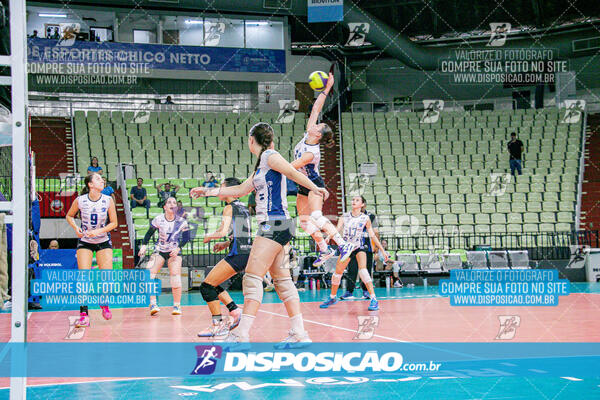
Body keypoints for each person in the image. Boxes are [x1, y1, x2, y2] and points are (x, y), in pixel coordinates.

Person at [191, 122, 329, 346]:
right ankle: (299, 333)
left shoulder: (270, 156)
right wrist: (207, 191)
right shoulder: (261, 166)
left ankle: (241, 335)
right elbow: (239, 190)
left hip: (275, 224)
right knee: (282, 282)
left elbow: (292, 171)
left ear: (251, 140)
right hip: (278, 226)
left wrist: (315, 188)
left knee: (252, 278)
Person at [292, 71, 355, 267]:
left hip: (313, 185)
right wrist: (327, 89)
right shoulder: (308, 133)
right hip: (303, 184)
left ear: (318, 135)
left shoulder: (311, 152)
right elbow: (316, 109)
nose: (315, 125)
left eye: (318, 127)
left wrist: (272, 165)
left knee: (316, 216)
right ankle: (325, 249)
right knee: (304, 222)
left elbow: (292, 167)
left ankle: (343, 245)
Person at [197, 178, 250, 337]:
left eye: (222, 188)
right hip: (245, 253)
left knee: (206, 287)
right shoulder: (243, 207)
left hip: (238, 255)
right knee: (213, 283)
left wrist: (209, 236)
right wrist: (226, 244)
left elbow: (222, 231)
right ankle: (234, 311)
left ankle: (217, 325)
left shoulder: (229, 208)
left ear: (230, 190)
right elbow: (242, 234)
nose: (219, 191)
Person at [65, 173, 118, 328]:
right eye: (98, 179)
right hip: (85, 241)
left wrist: (99, 231)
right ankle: (83, 314)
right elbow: (69, 216)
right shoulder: (80, 200)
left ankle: (104, 303)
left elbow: (114, 223)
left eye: (102, 179)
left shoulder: (108, 200)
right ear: (90, 184)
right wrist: (76, 228)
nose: (102, 180)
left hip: (102, 241)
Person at [320, 196, 389, 312]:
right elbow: (337, 229)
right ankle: (332, 297)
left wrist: (382, 249)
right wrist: (329, 236)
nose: (353, 202)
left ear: (362, 204)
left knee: (363, 271)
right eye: (353, 200)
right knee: (337, 273)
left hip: (359, 246)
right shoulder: (344, 216)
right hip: (347, 247)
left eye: (357, 200)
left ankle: (374, 299)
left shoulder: (365, 218)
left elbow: (372, 235)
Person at [138, 197, 190, 316]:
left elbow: (186, 237)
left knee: (175, 276)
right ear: (165, 207)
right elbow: (149, 233)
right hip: (159, 250)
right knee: (149, 274)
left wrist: (178, 248)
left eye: (174, 203)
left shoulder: (182, 221)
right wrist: (144, 246)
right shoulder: (158, 219)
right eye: (169, 202)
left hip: (174, 251)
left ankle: (177, 306)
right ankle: (153, 304)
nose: (172, 204)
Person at [340, 204, 379, 300]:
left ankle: (366, 291)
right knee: (352, 269)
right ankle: (349, 292)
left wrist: (376, 247)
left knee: (366, 270)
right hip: (352, 247)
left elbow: (376, 232)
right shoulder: (349, 216)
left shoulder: (370, 216)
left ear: (364, 205)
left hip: (367, 247)